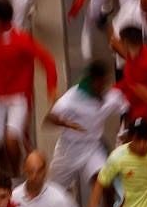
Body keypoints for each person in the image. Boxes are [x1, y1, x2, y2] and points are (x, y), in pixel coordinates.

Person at [0, 0, 58, 176]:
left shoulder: (22, 40)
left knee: (11, 140)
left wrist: (51, 87)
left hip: (18, 98)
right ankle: (3, 170)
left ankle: (15, 173)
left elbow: (47, 60)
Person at [44, 63, 121, 191]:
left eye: (105, 82)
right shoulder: (70, 98)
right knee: (54, 190)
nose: (102, 86)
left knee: (106, 186)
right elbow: (49, 119)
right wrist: (67, 123)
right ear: (92, 80)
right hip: (69, 149)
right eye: (100, 82)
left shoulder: (108, 96)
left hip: (92, 148)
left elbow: (125, 105)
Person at [15, 151, 80, 207]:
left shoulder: (59, 198)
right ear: (24, 170)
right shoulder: (14, 196)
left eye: (39, 171)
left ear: (45, 170)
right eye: (30, 171)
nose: (34, 176)